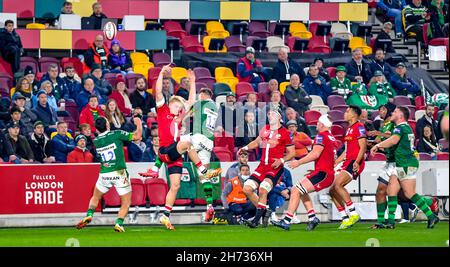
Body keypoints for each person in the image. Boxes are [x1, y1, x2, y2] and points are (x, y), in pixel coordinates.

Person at [139, 65, 216, 230]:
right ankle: (203, 171)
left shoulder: (179, 117)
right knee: (187, 143)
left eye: (182, 107)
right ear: (173, 103)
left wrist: (193, 81)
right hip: (166, 150)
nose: (182, 108)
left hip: (175, 156)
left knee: (175, 186)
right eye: (180, 106)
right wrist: (160, 73)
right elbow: (158, 91)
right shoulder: (163, 110)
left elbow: (191, 101)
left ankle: (165, 216)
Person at [370, 106, 439, 229]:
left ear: (401, 116)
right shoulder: (403, 128)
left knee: (409, 193)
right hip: (401, 163)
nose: (393, 113)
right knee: (391, 190)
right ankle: (390, 222)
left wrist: (378, 145)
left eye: (395, 111)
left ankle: (431, 216)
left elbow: (394, 140)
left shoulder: (401, 128)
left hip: (406, 163)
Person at [76, 115, 142, 232]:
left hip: (104, 174)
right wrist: (139, 123)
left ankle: (89, 214)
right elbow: (137, 136)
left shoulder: (96, 141)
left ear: (96, 129)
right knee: (126, 202)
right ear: (107, 125)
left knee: (96, 196)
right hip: (119, 173)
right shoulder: (116, 134)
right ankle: (119, 223)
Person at [272, 115, 337, 231]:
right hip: (326, 172)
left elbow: (315, 154)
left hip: (323, 173)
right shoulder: (331, 137)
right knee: (300, 190)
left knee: (295, 190)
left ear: (322, 124)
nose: (316, 124)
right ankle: (312, 217)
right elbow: (329, 157)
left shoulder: (321, 136)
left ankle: (287, 220)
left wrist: (299, 162)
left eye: (318, 122)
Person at [238, 110, 296, 228]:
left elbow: (292, 152)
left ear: (279, 117)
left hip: (274, 167)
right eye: (269, 114)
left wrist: (282, 160)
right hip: (262, 166)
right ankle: (265, 211)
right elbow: (257, 142)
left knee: (263, 190)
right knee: (247, 189)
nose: (270, 116)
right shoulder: (265, 129)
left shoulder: (284, 132)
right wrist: (245, 147)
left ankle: (256, 221)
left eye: (273, 114)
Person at [329, 106, 367, 230]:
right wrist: (335, 162)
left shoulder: (359, 127)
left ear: (354, 115)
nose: (345, 113)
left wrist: (357, 162)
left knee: (338, 185)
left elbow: (363, 147)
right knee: (332, 190)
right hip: (347, 162)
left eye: (347, 111)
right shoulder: (349, 129)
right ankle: (345, 217)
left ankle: (354, 213)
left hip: (355, 162)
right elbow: (346, 151)